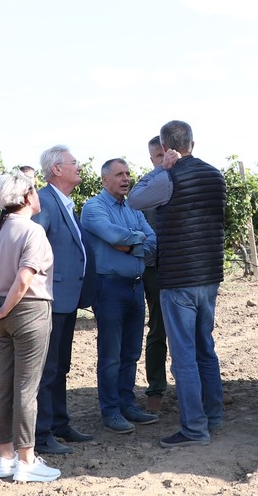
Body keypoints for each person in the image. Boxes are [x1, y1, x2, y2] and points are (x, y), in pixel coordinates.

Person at [128, 120, 227, 447]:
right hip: (209, 275)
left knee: (183, 356)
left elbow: (135, 200)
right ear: (193, 143)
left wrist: (162, 169)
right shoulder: (216, 175)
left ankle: (195, 429)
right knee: (205, 349)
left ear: (167, 147)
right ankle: (214, 417)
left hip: (178, 279)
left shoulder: (168, 177)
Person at [0, 172, 59, 483]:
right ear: (26, 197)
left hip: (1, 311)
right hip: (29, 312)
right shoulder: (32, 231)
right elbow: (25, 280)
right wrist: (2, 310)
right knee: (27, 388)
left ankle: (6, 457)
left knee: (3, 386)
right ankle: (27, 460)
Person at [81, 158, 158, 434]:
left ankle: (127, 404)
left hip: (136, 287)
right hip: (109, 287)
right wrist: (133, 240)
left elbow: (152, 239)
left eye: (127, 173)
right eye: (119, 174)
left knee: (131, 352)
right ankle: (110, 410)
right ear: (104, 180)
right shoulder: (94, 208)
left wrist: (130, 245)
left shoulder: (133, 208)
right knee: (111, 354)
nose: (126, 178)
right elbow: (112, 234)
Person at [31, 145, 96, 455]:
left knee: (60, 366)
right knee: (48, 369)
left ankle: (59, 423)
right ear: (57, 169)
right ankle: (42, 436)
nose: (79, 166)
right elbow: (32, 249)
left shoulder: (64, 202)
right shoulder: (44, 201)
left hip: (66, 299)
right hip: (51, 299)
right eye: (74, 163)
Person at [139, 135, 169, 413]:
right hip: (157, 269)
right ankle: (156, 390)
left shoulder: (189, 178)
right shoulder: (146, 186)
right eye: (159, 156)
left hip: (187, 267)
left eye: (168, 153)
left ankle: (207, 389)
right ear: (152, 159)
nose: (166, 159)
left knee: (198, 331)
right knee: (158, 329)